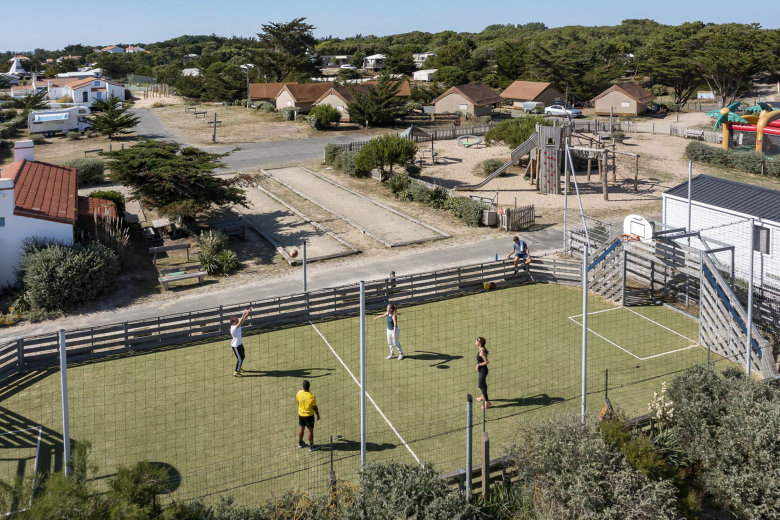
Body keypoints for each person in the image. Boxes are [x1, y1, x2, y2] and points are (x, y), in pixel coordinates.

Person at [296, 379, 320, 451]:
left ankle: (300, 443)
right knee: (310, 430)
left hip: (301, 414)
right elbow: (315, 407)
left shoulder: (299, 393)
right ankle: (311, 446)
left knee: (301, 428)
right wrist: (317, 415)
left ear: (303, 387)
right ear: (309, 386)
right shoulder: (311, 396)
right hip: (309, 416)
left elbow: (298, 402)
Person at [229, 306, 252, 377]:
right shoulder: (233, 328)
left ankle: (239, 367)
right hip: (235, 346)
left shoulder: (238, 325)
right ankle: (236, 372)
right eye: (236, 319)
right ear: (233, 322)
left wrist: (249, 311)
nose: (237, 319)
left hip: (240, 344)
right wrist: (243, 314)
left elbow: (244, 318)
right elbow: (240, 321)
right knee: (240, 359)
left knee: (243, 356)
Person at [475, 337, 491, 409]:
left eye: (477, 340)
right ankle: (482, 396)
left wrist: (478, 365)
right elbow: (487, 352)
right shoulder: (481, 349)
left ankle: (487, 402)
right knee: (483, 384)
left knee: (481, 385)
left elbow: (486, 362)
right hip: (482, 370)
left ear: (480, 342)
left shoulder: (482, 351)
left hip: (483, 370)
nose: (476, 341)